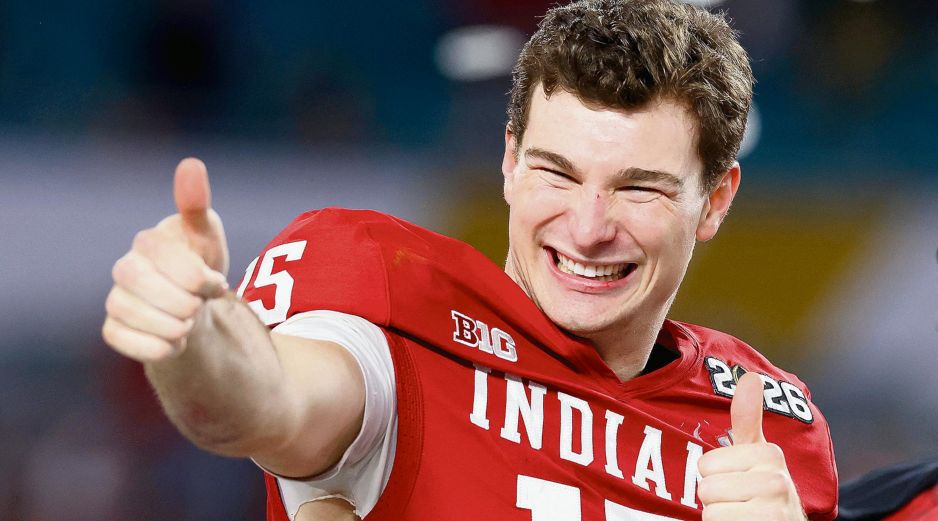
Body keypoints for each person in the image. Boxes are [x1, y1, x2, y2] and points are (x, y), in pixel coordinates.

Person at [101, 1, 838, 520]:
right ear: (510, 161)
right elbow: (264, 403)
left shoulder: (768, 432)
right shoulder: (398, 306)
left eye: (637, 188)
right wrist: (194, 338)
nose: (587, 228)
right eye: (557, 172)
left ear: (714, 200)